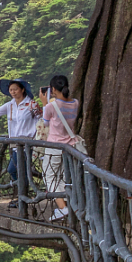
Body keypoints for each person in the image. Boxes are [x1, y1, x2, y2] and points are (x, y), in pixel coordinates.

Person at [39, 75, 81, 221]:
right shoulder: (76, 103)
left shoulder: (52, 106)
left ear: (53, 89)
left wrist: (44, 103)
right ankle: (68, 205)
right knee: (64, 176)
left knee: (48, 175)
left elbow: (45, 123)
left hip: (55, 146)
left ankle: (62, 209)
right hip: (70, 146)